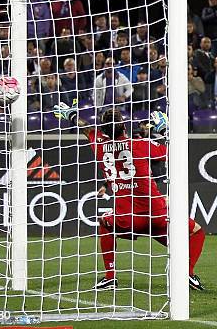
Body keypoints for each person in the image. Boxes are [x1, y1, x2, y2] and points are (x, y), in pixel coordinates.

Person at [52, 106, 206, 290]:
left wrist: (72, 115)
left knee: (104, 222)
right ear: (124, 126)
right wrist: (164, 130)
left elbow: (86, 128)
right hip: (156, 215)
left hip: (127, 220)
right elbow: (174, 152)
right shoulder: (140, 144)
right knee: (196, 231)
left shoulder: (99, 144)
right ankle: (187, 274)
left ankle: (110, 277)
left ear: (104, 129)